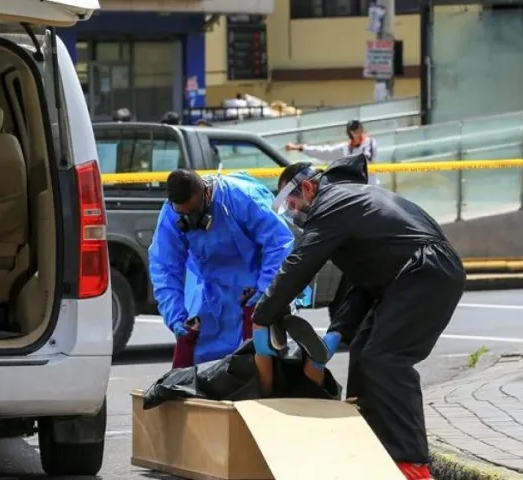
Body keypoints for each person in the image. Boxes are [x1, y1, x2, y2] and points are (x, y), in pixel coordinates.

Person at [250, 153, 466, 480]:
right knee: (365, 353)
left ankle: (412, 465)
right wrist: (337, 332)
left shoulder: (333, 203)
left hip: (427, 272)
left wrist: (262, 315)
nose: (293, 212)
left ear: (308, 187)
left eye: (292, 203)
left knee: (386, 358)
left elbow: (301, 262)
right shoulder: (351, 203)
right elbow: (364, 285)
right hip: (411, 275)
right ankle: (374, 448)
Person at [148, 168, 295, 365]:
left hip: (253, 291)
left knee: (261, 360)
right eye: (183, 214)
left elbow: (279, 243)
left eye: (194, 212)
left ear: (206, 194)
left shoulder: (240, 197)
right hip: (211, 293)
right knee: (204, 363)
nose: (190, 220)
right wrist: (175, 315)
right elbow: (164, 266)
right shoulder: (171, 214)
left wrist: (265, 289)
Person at [284, 119, 379, 184]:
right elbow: (324, 152)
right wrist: (300, 147)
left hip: (371, 186)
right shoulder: (345, 149)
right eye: (353, 132)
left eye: (358, 130)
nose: (356, 134)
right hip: (355, 188)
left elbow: (366, 159)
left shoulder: (370, 143)